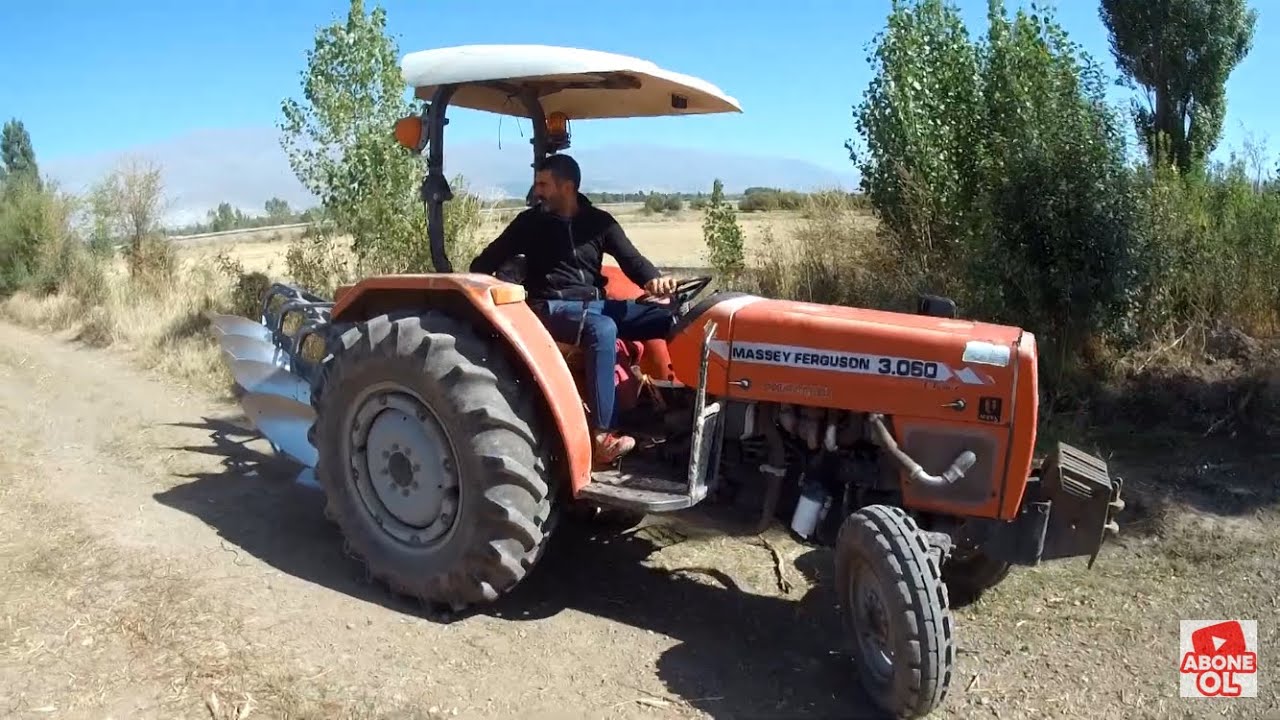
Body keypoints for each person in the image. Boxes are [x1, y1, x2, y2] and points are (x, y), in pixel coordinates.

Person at [469, 153, 679, 466]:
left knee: (673, 318)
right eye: (537, 183)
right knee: (602, 328)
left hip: (593, 304)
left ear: (567, 187)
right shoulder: (529, 224)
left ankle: (682, 414)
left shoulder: (599, 223)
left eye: (543, 184)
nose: (536, 191)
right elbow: (481, 264)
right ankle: (603, 436)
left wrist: (655, 281)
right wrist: (507, 279)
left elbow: (632, 262)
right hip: (550, 307)